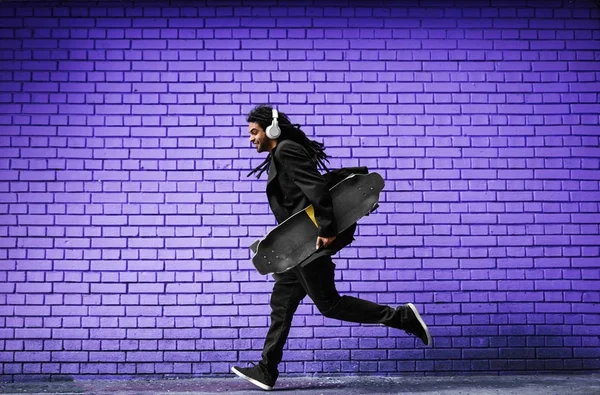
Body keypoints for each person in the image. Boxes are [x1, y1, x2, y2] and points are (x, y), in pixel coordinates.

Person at [231, 105, 431, 391]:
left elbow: (316, 188)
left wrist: (326, 229)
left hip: (308, 245)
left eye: (254, 132)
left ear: (270, 130)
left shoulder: (286, 150)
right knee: (282, 304)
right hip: (296, 247)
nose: (251, 139)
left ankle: (402, 317)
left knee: (330, 305)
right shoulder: (281, 153)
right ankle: (266, 369)